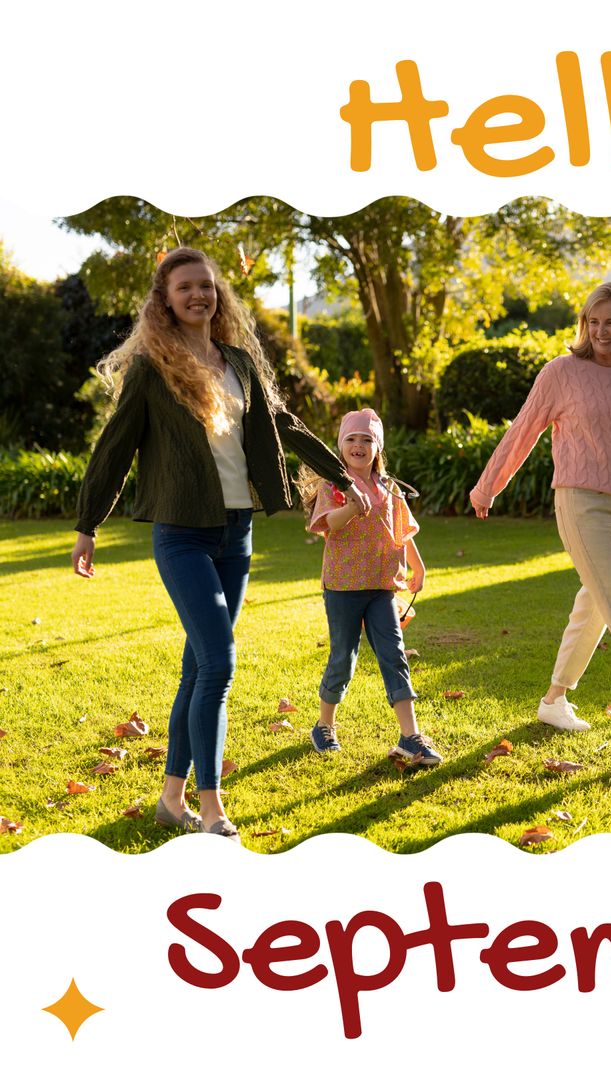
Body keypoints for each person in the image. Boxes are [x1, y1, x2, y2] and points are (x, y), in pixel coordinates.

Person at [70, 247, 371, 841]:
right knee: (219, 662)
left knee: (197, 668)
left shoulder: (236, 361)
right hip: (181, 533)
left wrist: (342, 475)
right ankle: (211, 809)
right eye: (184, 287)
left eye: (205, 286)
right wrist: (88, 525)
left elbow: (284, 426)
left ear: (218, 295)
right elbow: (113, 449)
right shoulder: (153, 369)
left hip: (237, 534)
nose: (197, 295)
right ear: (165, 299)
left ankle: (170, 799)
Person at [469, 281, 611, 756]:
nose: (601, 330)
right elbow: (523, 430)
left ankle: (553, 700)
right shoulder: (562, 372)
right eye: (593, 321)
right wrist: (488, 486)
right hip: (580, 503)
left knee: (595, 607)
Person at [298, 408, 441, 765]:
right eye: (352, 439)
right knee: (342, 659)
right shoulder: (335, 486)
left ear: (377, 448)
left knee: (394, 655)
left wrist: (418, 566)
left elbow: (402, 531)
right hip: (344, 587)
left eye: (367, 440)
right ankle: (324, 725)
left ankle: (411, 736)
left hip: (381, 587)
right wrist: (352, 507)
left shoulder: (388, 487)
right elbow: (326, 523)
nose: (359, 446)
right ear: (340, 446)